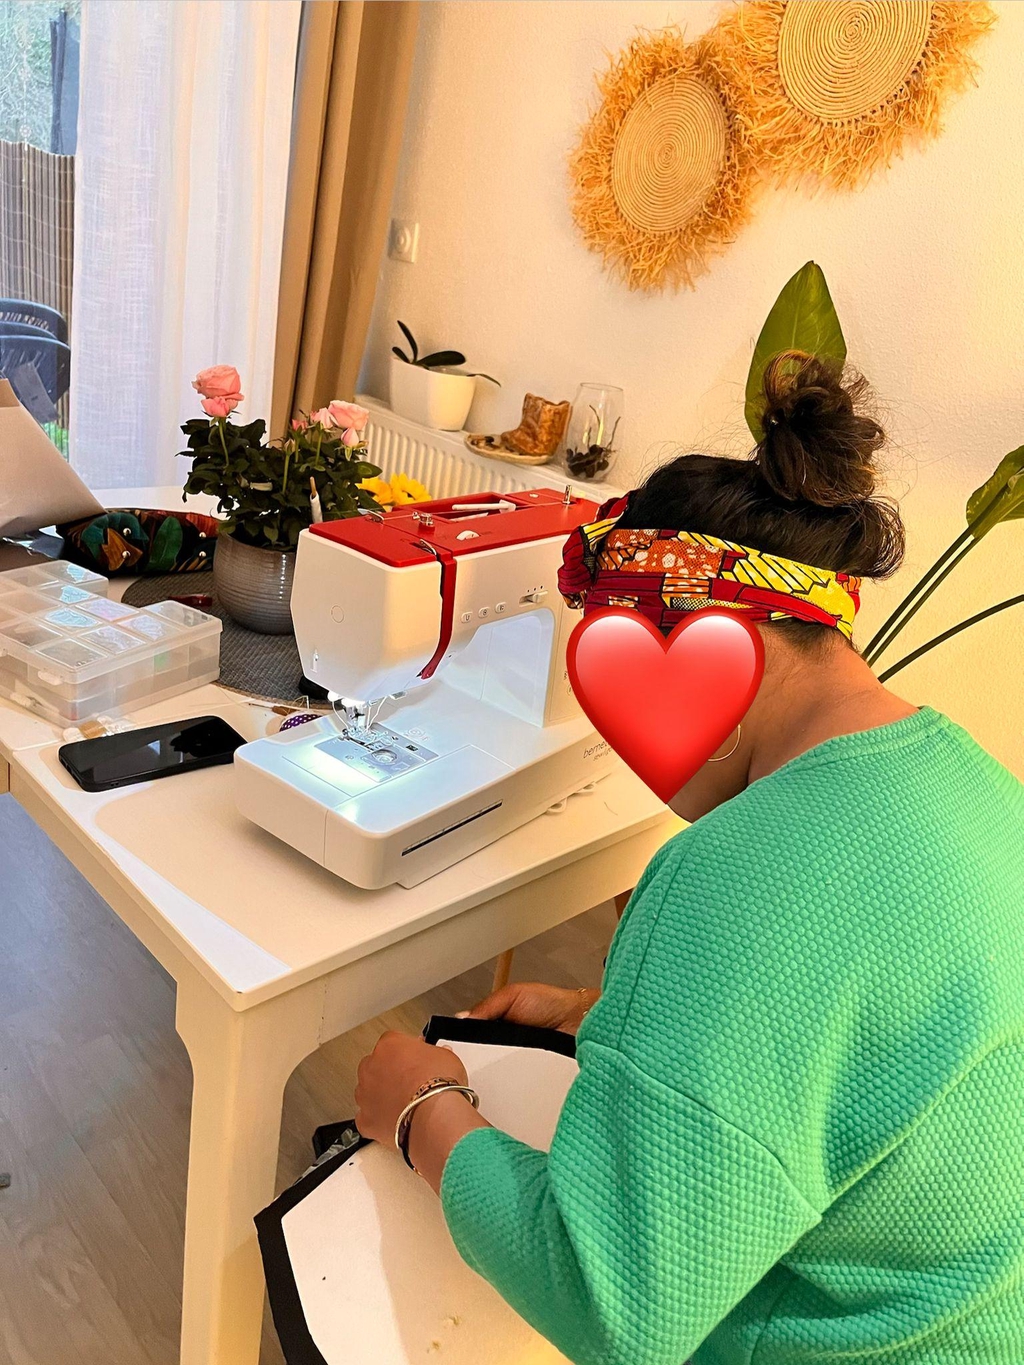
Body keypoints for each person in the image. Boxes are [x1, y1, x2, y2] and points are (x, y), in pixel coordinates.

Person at [354, 352, 1024, 1365]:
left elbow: (611, 1306)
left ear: (712, 632)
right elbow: (874, 1063)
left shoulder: (738, 872)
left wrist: (418, 1111)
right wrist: (620, 1017)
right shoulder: (978, 786)